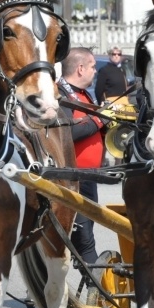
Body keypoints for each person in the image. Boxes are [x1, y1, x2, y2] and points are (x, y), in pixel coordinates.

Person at [57, 47, 108, 266]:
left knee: (85, 235)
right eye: (92, 66)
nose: (95, 71)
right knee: (84, 240)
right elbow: (66, 134)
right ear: (80, 68)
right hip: (73, 178)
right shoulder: (61, 95)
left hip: (88, 176)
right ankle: (94, 280)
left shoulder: (83, 94)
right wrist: (99, 120)